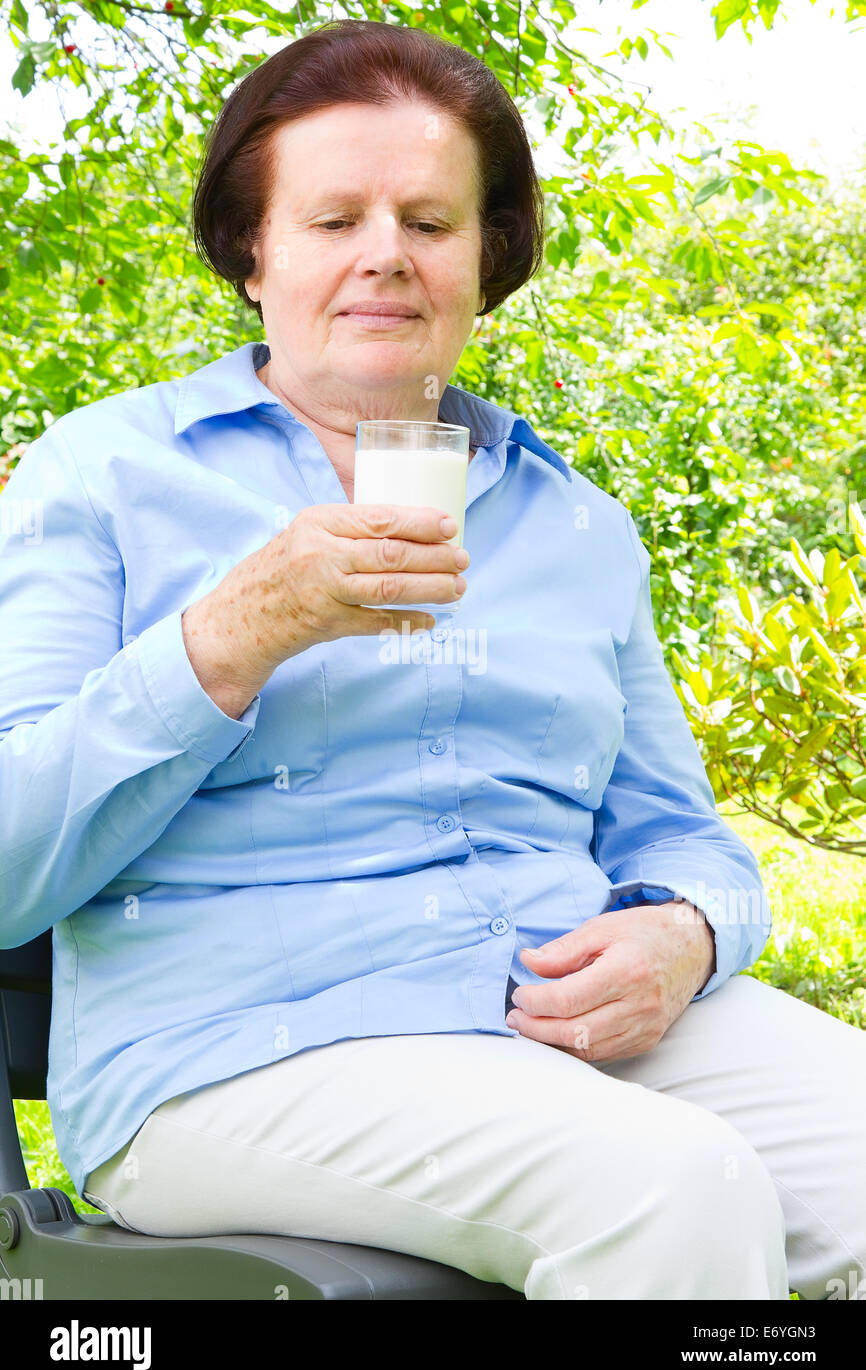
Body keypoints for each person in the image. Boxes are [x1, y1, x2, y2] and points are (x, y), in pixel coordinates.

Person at [1, 18, 864, 1302]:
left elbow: (685, 838)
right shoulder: (105, 474)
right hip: (233, 1048)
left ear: (486, 257)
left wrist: (682, 935)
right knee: (669, 1190)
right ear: (253, 251)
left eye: (429, 221)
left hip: (545, 1018)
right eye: (332, 219)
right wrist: (234, 635)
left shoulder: (574, 524)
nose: (383, 260)